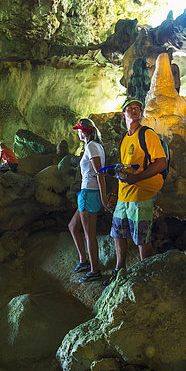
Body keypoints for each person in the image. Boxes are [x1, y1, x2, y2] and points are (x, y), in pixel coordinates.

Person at [104, 98, 168, 286]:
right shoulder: (125, 138)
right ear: (123, 114)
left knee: (141, 238)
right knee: (118, 234)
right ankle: (119, 270)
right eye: (130, 109)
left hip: (141, 195)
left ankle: (144, 276)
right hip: (124, 196)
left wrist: (136, 179)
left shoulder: (147, 134)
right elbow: (121, 169)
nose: (134, 111)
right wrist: (114, 194)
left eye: (137, 108)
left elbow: (161, 162)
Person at [68, 118, 108, 283]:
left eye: (79, 130)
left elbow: (100, 173)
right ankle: (84, 261)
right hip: (87, 192)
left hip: (90, 193)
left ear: (84, 131)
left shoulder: (92, 146)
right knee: (72, 226)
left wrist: (103, 199)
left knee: (89, 235)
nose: (78, 132)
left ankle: (94, 269)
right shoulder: (96, 146)